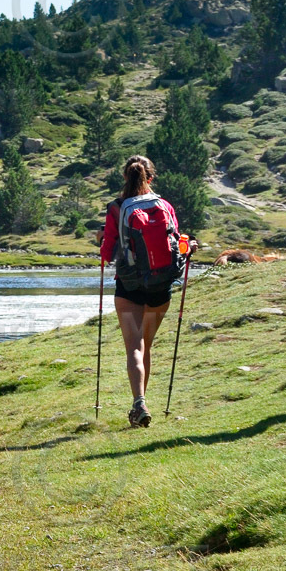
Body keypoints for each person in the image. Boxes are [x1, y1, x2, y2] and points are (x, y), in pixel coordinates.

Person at [100, 156, 193, 428]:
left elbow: (107, 253)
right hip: (160, 287)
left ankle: (139, 402)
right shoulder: (164, 205)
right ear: (150, 178)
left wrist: (103, 244)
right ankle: (142, 402)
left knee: (134, 347)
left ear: (125, 177)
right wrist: (191, 248)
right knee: (146, 344)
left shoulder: (117, 208)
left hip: (129, 287)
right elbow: (177, 244)